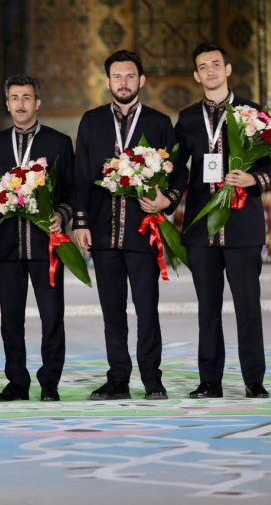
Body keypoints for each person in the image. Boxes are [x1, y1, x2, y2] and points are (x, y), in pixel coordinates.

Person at [170, 42, 271, 399]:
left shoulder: (252, 112)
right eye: (203, 66)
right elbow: (176, 168)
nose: (211, 71)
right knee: (208, 308)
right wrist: (166, 198)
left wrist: (254, 181)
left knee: (248, 305)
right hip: (201, 228)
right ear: (196, 74)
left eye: (216, 64)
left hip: (242, 225)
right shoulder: (187, 118)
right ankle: (210, 381)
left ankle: (254, 380)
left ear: (228, 69)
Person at [72, 50, 179, 401]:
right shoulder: (91, 121)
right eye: (117, 76)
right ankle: (118, 378)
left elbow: (180, 170)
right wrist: (81, 222)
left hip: (142, 232)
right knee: (112, 311)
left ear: (141, 80)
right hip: (103, 232)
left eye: (130, 76)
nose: (123, 82)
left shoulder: (160, 122)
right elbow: (82, 175)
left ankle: (152, 379)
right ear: (107, 82)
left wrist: (169, 200)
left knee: (147, 309)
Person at [0, 75, 74, 402]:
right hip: (6, 245)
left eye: (27, 97)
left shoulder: (59, 142)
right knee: (11, 319)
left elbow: (71, 190)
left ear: (37, 103)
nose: (20, 104)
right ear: (7, 104)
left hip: (46, 244)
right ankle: (16, 382)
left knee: (51, 315)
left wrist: (62, 214)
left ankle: (49, 383)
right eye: (14, 98)